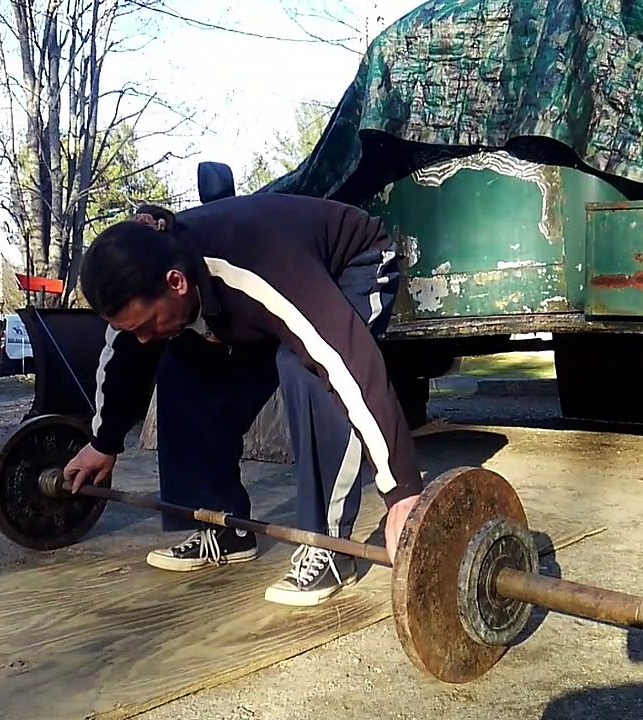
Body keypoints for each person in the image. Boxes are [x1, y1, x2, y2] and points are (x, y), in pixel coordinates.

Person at [61, 192, 424, 606]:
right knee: (180, 363)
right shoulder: (147, 282)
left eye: (145, 324)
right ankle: (224, 525)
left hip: (350, 265)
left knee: (304, 368)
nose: (141, 337)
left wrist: (402, 490)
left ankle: (330, 547)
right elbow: (125, 356)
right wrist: (102, 443)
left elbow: (347, 365)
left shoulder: (256, 268)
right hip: (262, 296)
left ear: (176, 283)